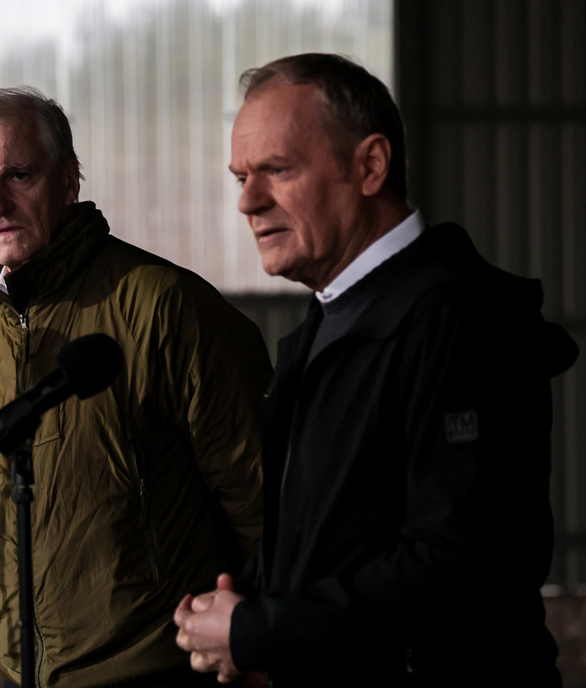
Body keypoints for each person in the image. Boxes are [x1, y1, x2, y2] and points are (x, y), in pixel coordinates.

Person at [173, 53, 578, 686]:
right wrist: (242, 603)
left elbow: (459, 562)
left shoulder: (455, 321)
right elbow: (339, 532)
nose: (249, 202)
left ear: (370, 166)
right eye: (241, 177)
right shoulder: (327, 323)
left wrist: (260, 631)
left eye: (277, 170)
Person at [0, 86, 271, 688]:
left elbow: (260, 502)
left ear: (69, 181)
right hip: (29, 672)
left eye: (19, 175)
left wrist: (262, 647)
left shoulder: (166, 307)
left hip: (158, 665)